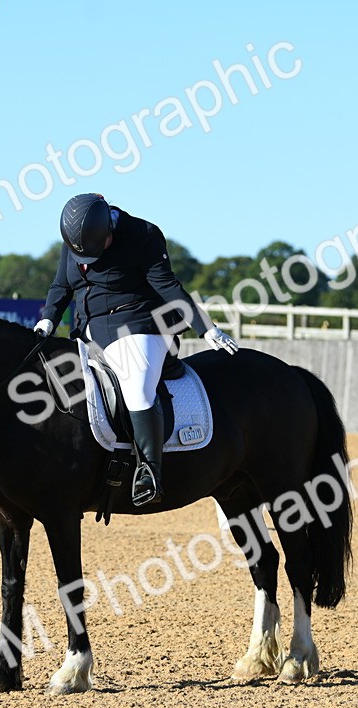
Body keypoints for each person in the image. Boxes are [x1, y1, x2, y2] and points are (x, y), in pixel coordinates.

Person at [34, 192, 238, 506]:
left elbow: (168, 286)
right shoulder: (76, 241)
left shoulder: (143, 236)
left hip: (140, 325)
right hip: (88, 331)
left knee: (137, 388)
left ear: (108, 231)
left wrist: (205, 327)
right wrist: (47, 321)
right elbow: (62, 286)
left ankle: (150, 471)